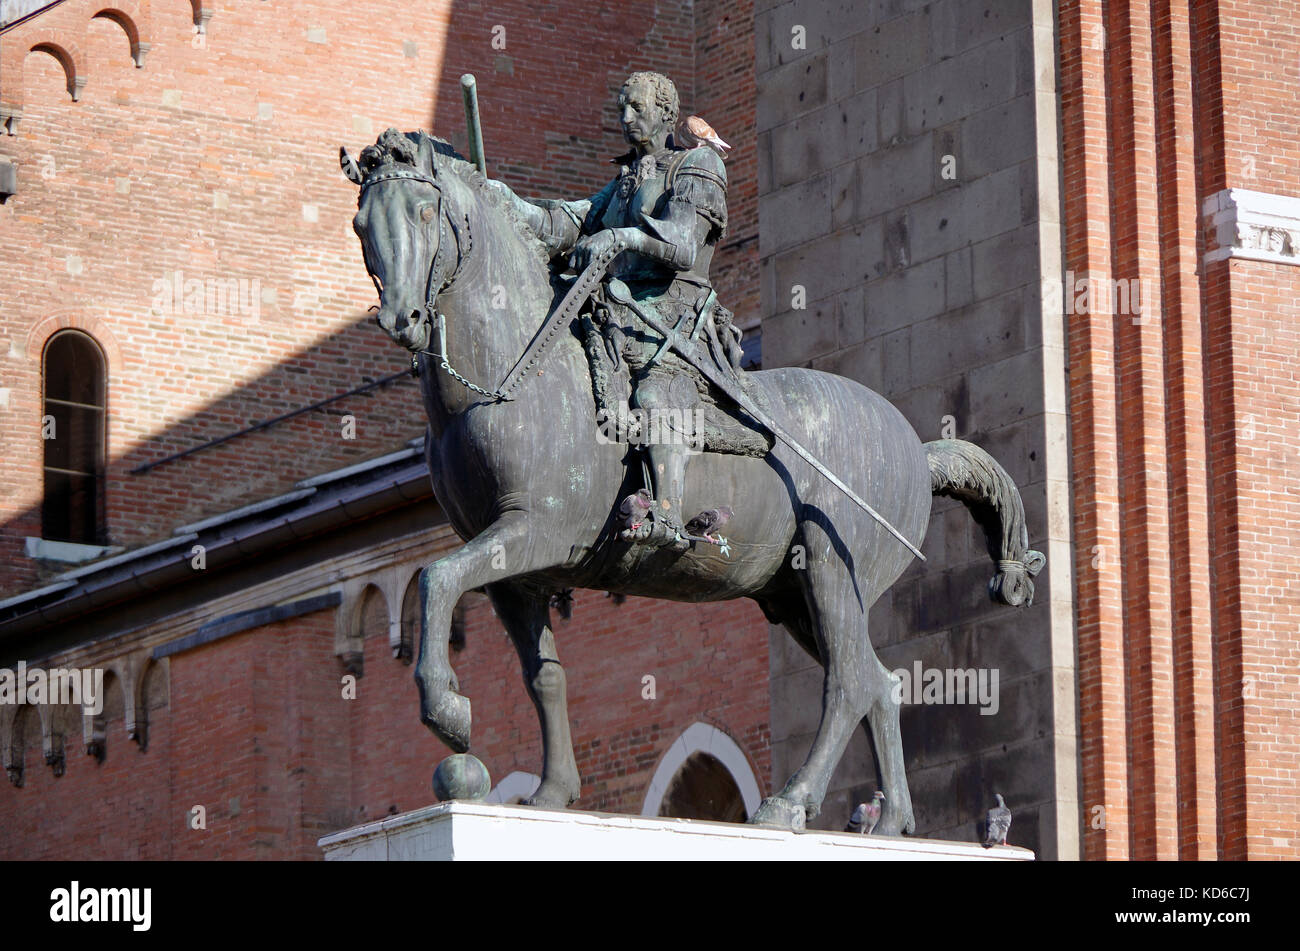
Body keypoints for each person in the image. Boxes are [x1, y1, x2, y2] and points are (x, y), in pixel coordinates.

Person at [502, 71, 768, 545]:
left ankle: (665, 518)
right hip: (622, 309)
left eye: (637, 108)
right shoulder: (625, 180)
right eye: (622, 109)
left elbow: (684, 245)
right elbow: (569, 222)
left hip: (676, 314)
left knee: (653, 397)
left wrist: (621, 236)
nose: (626, 119)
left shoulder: (697, 165)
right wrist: (504, 200)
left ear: (667, 113)